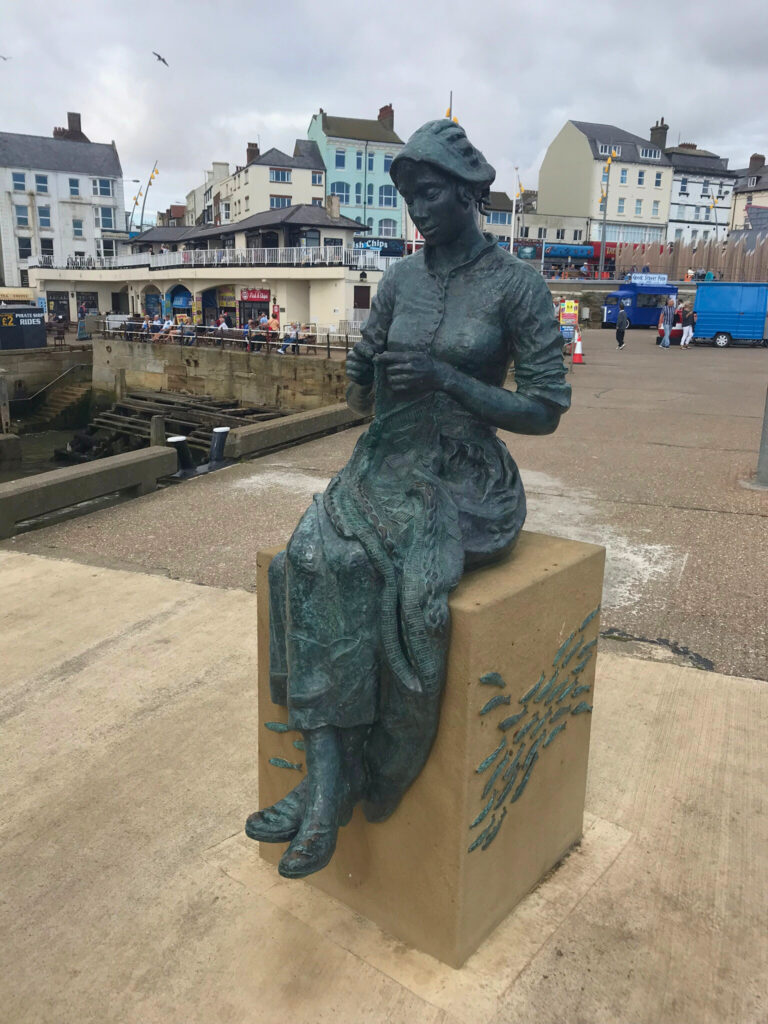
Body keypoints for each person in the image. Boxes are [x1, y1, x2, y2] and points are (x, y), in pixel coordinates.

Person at [244, 118, 571, 879]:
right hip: (388, 462)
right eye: (409, 199)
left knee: (391, 584)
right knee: (307, 557)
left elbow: (547, 409)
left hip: (464, 480)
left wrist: (450, 380)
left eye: (429, 195)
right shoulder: (399, 280)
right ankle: (326, 783)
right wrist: (364, 373)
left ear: (466, 195)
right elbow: (361, 400)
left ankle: (344, 785)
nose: (417, 211)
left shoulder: (518, 285)